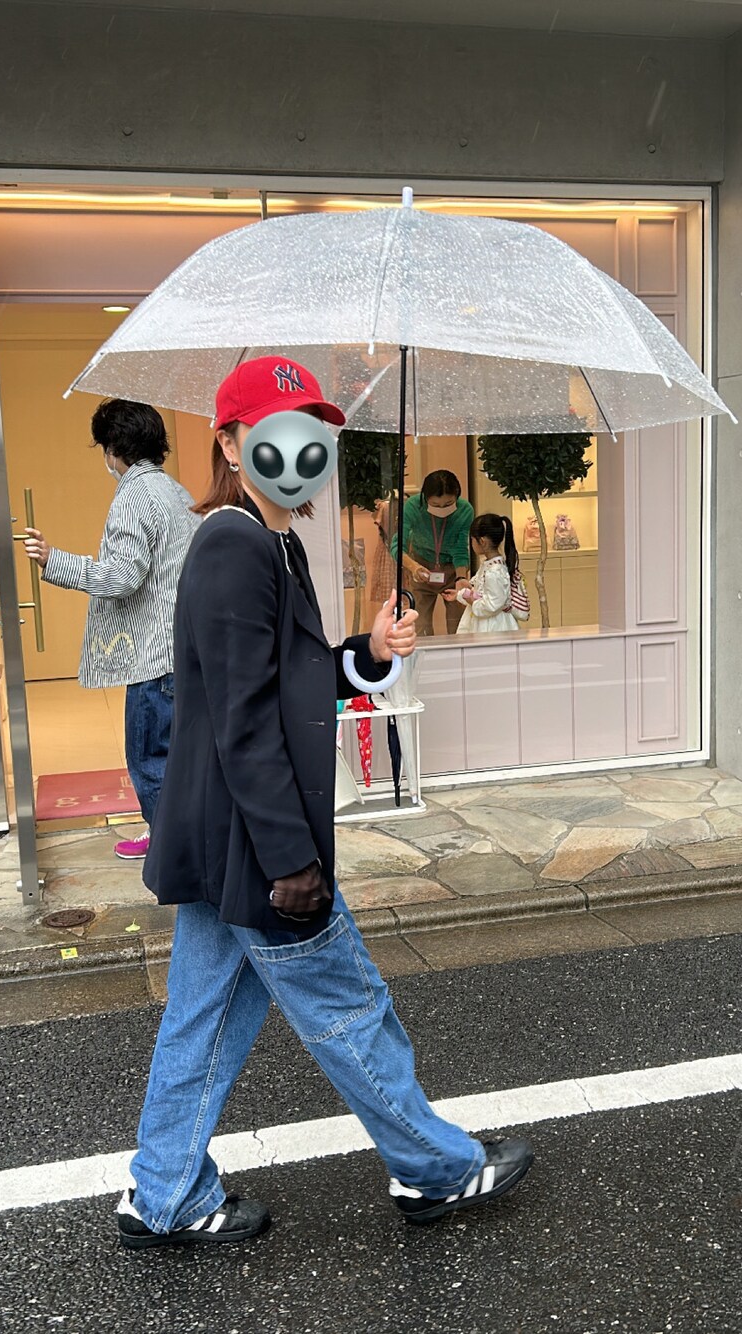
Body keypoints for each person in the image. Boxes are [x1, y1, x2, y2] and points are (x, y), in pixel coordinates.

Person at [117, 357, 532, 1250]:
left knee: (203, 1019)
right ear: (232, 444)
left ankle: (164, 1191)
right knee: (349, 1005)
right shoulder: (233, 545)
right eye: (275, 434)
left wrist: (367, 654)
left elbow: (288, 680)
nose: (299, 453)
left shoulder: (269, 540)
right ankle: (435, 1167)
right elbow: (244, 722)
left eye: (313, 436)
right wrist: (292, 860)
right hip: (256, 842)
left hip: (227, 839)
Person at [24, 400, 199, 861]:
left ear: (112, 449)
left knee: (150, 761)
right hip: (181, 649)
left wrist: (54, 560)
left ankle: (172, 853)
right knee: (178, 759)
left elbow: (122, 576)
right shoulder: (174, 491)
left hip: (153, 656)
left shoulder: (134, 495)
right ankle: (175, 840)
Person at [391, 470, 473, 636]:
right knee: (420, 622)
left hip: (452, 569)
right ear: (425, 497)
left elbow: (460, 549)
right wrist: (414, 567)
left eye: (449, 503)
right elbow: (397, 546)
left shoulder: (465, 510)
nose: (442, 509)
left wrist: (461, 578)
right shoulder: (413, 507)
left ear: (457, 496)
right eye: (435, 505)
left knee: (458, 624)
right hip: (421, 566)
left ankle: (456, 651)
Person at [447, 512, 526, 634]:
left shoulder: (494, 572)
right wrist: (460, 594)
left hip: (492, 626)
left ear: (482, 541)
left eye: (472, 539)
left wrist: (472, 601)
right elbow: (481, 593)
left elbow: (492, 605)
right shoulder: (489, 566)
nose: (471, 543)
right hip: (486, 621)